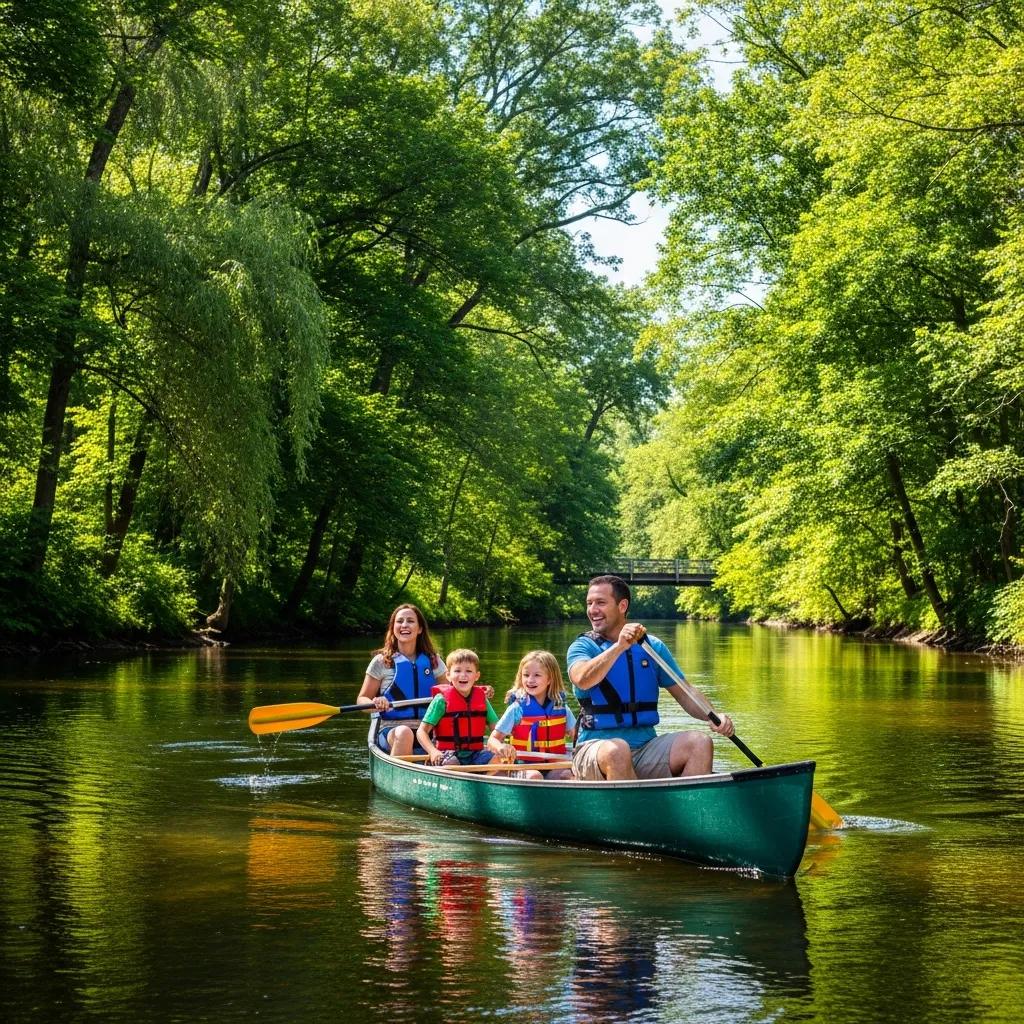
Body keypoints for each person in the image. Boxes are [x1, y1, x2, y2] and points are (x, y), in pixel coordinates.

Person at [566, 575, 734, 781]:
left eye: (600, 602)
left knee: (700, 742)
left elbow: (685, 692)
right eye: (589, 603)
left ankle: (687, 810)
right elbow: (581, 678)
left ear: (622, 605)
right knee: (617, 750)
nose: (592, 610)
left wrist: (714, 716)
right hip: (594, 748)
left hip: (646, 747)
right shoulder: (582, 647)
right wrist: (619, 647)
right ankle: (637, 811)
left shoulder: (652, 647)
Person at [358, 604, 446, 757]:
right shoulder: (381, 661)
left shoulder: (433, 661)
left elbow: (451, 693)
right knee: (404, 733)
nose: (404, 625)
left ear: (419, 629)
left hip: (429, 729)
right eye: (399, 621)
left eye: (410, 621)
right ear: (393, 628)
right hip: (392, 730)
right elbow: (361, 700)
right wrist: (376, 703)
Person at [487, 650, 576, 780]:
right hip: (523, 765)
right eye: (526, 675)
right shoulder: (517, 709)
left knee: (568, 776)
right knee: (535, 776)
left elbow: (576, 736)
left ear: (550, 679)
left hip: (554, 764)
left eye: (537, 675)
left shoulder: (561, 707)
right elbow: (492, 740)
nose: (530, 680)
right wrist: (501, 747)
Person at [416, 649, 500, 766]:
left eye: (469, 671)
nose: (463, 675)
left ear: (476, 676)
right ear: (448, 676)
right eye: (457, 671)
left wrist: (500, 746)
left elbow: (497, 729)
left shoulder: (482, 699)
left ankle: (484, 780)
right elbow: (422, 732)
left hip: (476, 753)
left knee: (500, 759)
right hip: (447, 754)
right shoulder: (441, 701)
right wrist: (433, 751)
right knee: (452, 762)